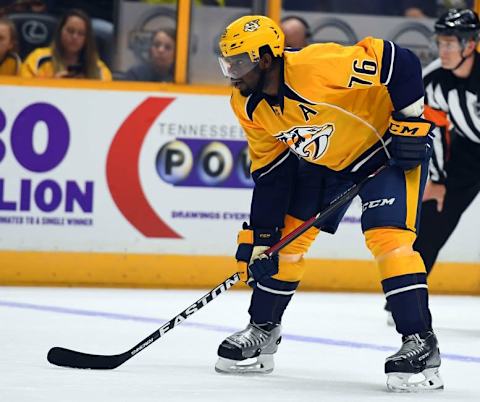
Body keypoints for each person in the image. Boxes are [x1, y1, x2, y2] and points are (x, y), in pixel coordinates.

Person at [215, 15, 443, 392]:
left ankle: (421, 342)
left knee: (388, 239)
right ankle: (263, 329)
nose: (232, 74)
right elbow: (271, 172)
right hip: (329, 164)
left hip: (386, 152)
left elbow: (400, 62)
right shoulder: (247, 105)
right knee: (282, 243)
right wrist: (263, 235)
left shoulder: (317, 65)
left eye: (239, 63)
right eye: (227, 63)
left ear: (267, 59)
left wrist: (410, 122)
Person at [416, 10, 480, 287]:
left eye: (449, 44)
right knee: (433, 220)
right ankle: (407, 294)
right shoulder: (434, 82)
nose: (443, 50)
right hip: (466, 154)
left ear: (470, 45)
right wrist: (439, 179)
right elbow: (438, 132)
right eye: (440, 43)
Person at [20, 8, 111, 80]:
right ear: (60, 31)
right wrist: (53, 85)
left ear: (87, 39)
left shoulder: (99, 69)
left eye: (81, 33)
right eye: (70, 31)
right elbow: (24, 90)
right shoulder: (38, 59)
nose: (75, 37)